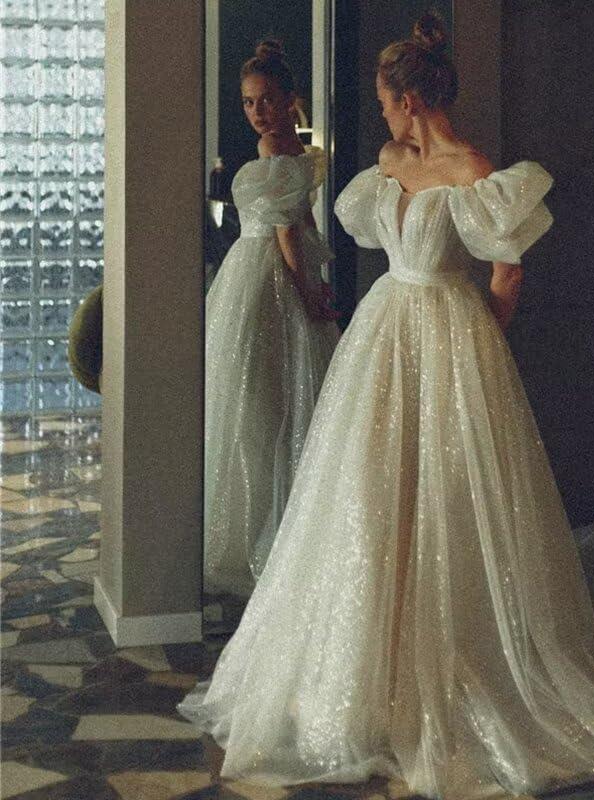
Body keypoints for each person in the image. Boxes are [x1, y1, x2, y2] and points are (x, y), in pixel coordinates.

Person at [180, 15, 594, 798]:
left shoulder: (474, 170)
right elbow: (372, 233)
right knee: (368, 491)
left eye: (384, 100)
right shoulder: (389, 162)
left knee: (450, 498)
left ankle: (454, 669)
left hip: (449, 328)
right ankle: (366, 672)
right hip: (386, 327)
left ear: (409, 99)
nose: (380, 113)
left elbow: (507, 271)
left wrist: (481, 338)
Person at [203, 40, 339, 598]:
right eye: (248, 102)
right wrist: (315, 277)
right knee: (269, 400)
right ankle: (279, 531)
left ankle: (273, 534)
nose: (256, 111)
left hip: (268, 271)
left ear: (290, 100)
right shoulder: (286, 147)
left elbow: (289, 230)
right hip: (259, 268)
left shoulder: (278, 149)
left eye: (265, 99)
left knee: (265, 403)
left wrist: (307, 290)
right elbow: (302, 221)